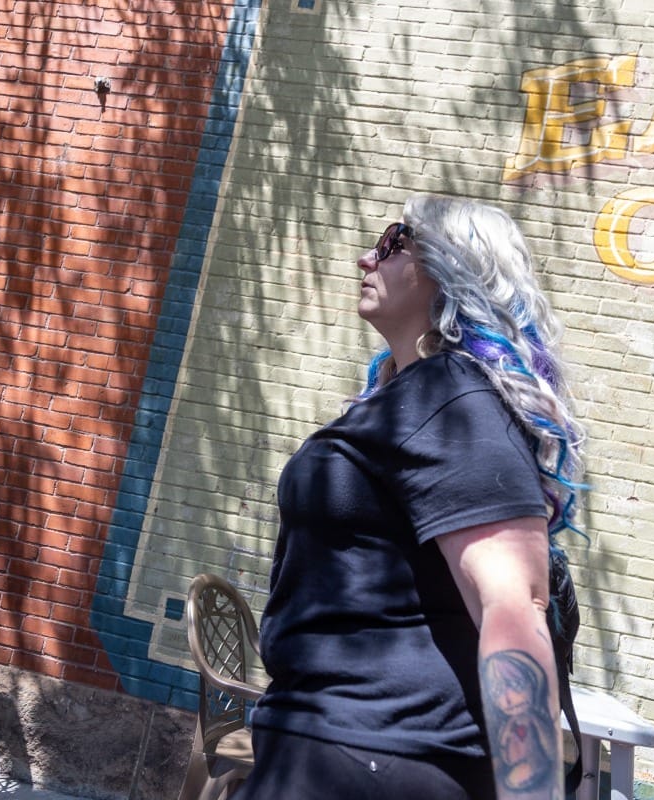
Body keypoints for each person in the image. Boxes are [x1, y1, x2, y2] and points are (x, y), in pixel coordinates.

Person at [237, 195, 586, 800]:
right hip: (329, 745)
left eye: (394, 242)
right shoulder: (414, 396)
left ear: (450, 267)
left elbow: (513, 603)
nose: (366, 258)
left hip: (378, 757)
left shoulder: (455, 402)